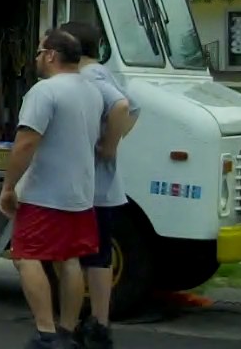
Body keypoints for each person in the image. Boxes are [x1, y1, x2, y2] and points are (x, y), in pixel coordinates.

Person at [0, 28, 103, 349]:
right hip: (80, 193)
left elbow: (26, 142)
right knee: (69, 259)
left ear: (51, 56)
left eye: (39, 51)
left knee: (27, 256)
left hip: (44, 193)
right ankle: (67, 331)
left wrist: (8, 186)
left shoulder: (45, 92)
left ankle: (45, 332)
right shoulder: (92, 91)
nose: (36, 58)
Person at [60, 21, 140, 349]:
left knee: (83, 256)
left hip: (89, 187)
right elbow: (133, 106)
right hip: (105, 187)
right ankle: (99, 323)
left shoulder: (88, 77)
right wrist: (116, 139)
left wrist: (108, 146)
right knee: (100, 254)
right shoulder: (105, 73)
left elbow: (121, 107)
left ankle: (88, 324)